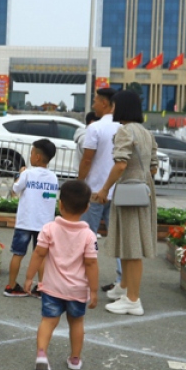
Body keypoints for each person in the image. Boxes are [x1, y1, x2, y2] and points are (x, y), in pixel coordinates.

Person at [90, 90, 157, 316]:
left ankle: (132, 299)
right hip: (142, 190)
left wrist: (104, 189)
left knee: (132, 247)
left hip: (128, 190)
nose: (113, 109)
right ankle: (125, 289)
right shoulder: (146, 132)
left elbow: (120, 164)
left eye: (116, 106)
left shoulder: (125, 131)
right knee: (130, 245)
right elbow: (153, 167)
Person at [24, 179, 98, 370]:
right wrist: (94, 289)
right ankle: (74, 359)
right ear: (87, 207)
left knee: (48, 321)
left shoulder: (49, 229)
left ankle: (41, 354)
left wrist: (29, 277)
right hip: (78, 289)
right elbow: (91, 263)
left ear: (60, 204)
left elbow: (39, 254)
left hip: (52, 287)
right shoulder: (89, 236)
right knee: (77, 322)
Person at [3, 139, 60, 297]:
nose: (30, 155)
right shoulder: (53, 177)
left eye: (32, 153)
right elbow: (49, 197)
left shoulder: (27, 173)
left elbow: (15, 189)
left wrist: (20, 175)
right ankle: (41, 287)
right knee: (41, 255)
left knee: (18, 253)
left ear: (37, 157)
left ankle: (11, 285)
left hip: (25, 222)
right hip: (44, 223)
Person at [77, 88, 120, 289]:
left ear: (104, 103)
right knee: (118, 238)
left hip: (94, 190)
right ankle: (122, 280)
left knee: (88, 235)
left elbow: (87, 159)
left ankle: (84, 277)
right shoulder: (124, 127)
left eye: (95, 101)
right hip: (117, 191)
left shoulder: (95, 128)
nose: (93, 105)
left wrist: (79, 181)